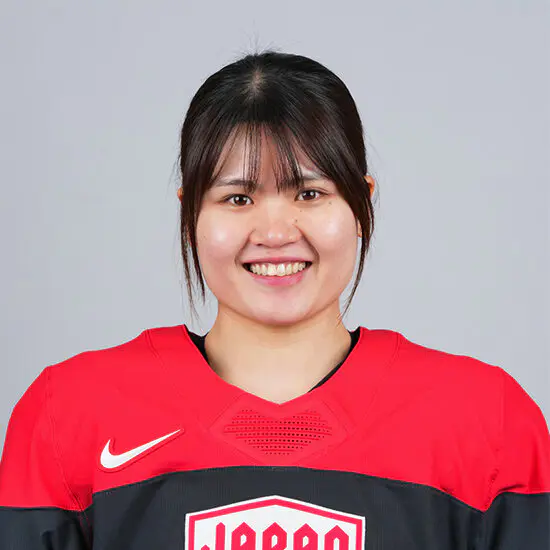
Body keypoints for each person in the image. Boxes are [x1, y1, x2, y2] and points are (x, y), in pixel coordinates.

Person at [0, 50, 548, 549]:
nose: (275, 233)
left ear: (362, 205)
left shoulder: (487, 424)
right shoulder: (68, 416)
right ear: (190, 213)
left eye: (309, 193)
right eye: (238, 198)